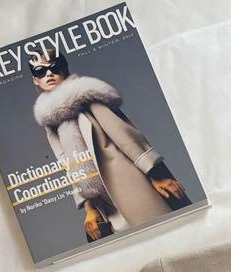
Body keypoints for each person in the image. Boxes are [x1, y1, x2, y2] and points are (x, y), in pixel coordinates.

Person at [29, 43, 191, 242]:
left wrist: (156, 174)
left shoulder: (85, 96)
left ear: (64, 69)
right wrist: (88, 207)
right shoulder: (50, 121)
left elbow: (125, 135)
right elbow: (70, 167)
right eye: (41, 71)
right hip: (103, 204)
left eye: (54, 67)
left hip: (129, 184)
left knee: (167, 237)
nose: (49, 74)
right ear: (35, 79)